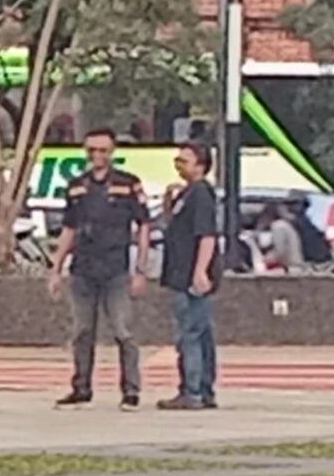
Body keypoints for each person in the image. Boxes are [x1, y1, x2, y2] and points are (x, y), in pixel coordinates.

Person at [48, 128, 151, 409]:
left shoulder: (128, 184)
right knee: (82, 332)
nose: (97, 155)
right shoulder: (76, 186)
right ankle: (81, 388)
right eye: (91, 150)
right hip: (83, 268)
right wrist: (56, 269)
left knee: (123, 330)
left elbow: (143, 225)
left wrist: (141, 269)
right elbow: (69, 229)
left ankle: (130, 391)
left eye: (103, 150)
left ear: (112, 151)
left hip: (115, 268)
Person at [158, 142, 222, 411]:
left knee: (190, 334)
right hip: (180, 272)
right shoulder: (187, 193)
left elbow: (206, 235)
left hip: (189, 275)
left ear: (200, 165)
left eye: (184, 160)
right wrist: (168, 202)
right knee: (200, 331)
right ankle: (203, 389)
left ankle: (192, 390)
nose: (178, 165)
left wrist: (200, 271)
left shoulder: (201, 194)